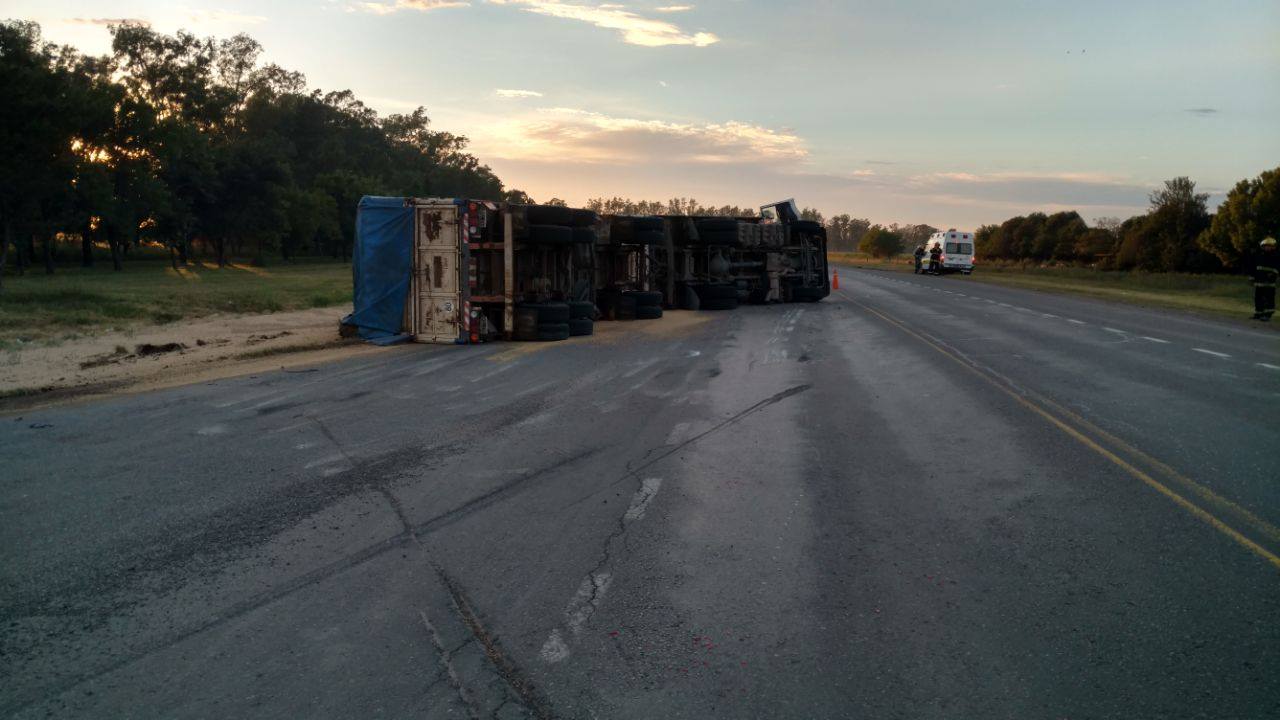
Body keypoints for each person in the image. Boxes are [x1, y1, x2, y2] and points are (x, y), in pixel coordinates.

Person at [1254, 237, 1277, 321]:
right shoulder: (1260, 255)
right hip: (1259, 282)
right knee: (1258, 298)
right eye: (1265, 246)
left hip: (1269, 282)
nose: (1267, 247)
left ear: (1273, 247)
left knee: (1268, 298)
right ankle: (1258, 313)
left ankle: (1267, 315)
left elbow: (1276, 268)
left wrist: (1272, 275)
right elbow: (1256, 267)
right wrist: (1253, 277)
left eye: (1269, 246)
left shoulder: (1275, 256)